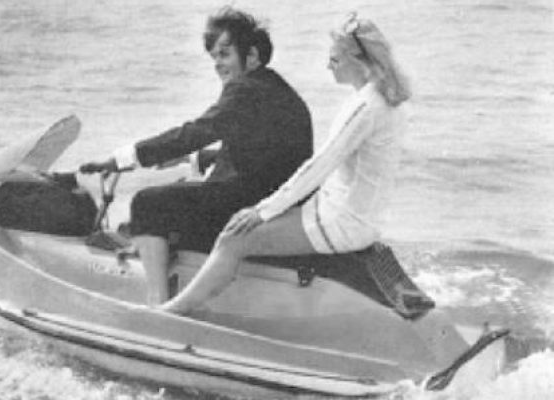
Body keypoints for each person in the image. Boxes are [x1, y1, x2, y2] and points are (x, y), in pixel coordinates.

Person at [160, 12, 412, 314]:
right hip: (359, 218)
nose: (328, 66)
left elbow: (321, 165)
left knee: (233, 238)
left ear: (357, 60)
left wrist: (263, 211)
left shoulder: (365, 107)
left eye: (334, 59)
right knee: (249, 226)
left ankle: (174, 311)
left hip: (340, 222)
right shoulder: (387, 100)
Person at [80, 7, 314, 304]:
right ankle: (160, 258)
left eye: (225, 54)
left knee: (147, 203)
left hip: (251, 204)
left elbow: (197, 131)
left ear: (252, 55)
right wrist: (190, 159)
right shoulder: (275, 87)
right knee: (179, 190)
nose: (218, 65)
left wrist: (122, 159)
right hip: (273, 200)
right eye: (214, 57)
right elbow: (258, 149)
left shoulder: (244, 89)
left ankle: (156, 303)